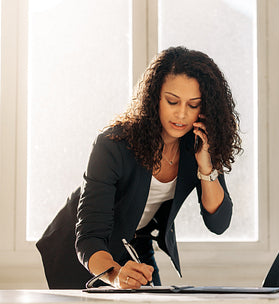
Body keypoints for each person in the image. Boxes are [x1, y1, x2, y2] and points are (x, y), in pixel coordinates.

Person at [36, 46, 242, 289]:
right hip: (85, 251)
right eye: (172, 101)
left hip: (133, 244)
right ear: (154, 97)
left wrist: (206, 166)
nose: (182, 114)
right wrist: (114, 275)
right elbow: (90, 237)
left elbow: (218, 223)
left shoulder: (198, 144)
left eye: (193, 104)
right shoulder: (114, 144)